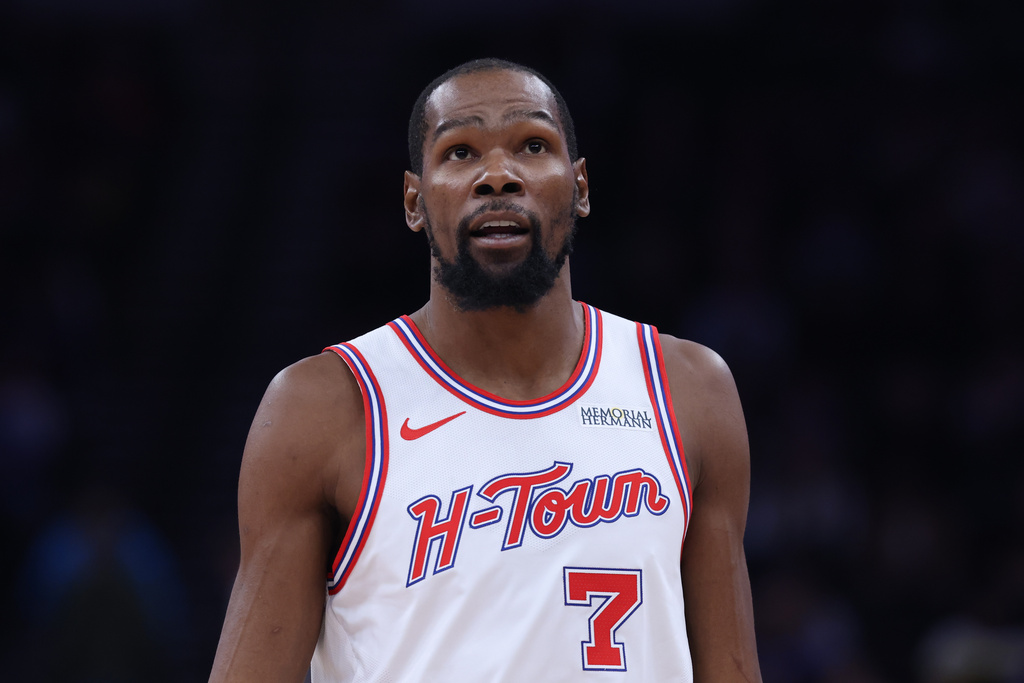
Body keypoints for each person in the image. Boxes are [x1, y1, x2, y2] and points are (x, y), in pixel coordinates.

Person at [209, 58, 762, 682]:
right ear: (415, 202)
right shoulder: (325, 407)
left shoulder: (687, 389)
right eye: (461, 152)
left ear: (580, 187)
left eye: (532, 145)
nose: (497, 175)